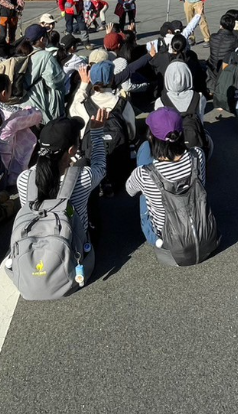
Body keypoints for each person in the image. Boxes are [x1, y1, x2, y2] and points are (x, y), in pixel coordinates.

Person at [17, 117, 106, 269]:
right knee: (85, 166)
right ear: (72, 150)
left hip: (33, 250)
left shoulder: (24, 178)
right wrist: (97, 132)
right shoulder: (83, 177)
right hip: (72, 253)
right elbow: (101, 167)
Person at [126, 107, 209, 248]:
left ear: (151, 137)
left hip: (168, 237)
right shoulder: (198, 155)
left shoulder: (143, 173)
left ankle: (155, 239)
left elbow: (129, 190)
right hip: (201, 228)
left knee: (143, 195)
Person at [22, 25, 67, 123]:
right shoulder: (45, 56)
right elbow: (56, 81)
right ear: (42, 39)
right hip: (38, 104)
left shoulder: (20, 52)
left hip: (21, 103)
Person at [206, 12, 238, 94]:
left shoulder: (213, 37)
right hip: (225, 68)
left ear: (221, 25)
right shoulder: (234, 39)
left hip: (212, 66)